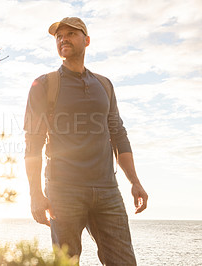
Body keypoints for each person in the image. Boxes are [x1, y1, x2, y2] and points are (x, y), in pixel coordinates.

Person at [23, 17, 148, 265]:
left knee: (124, 261)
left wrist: (135, 182)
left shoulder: (104, 85)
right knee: (66, 262)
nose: (63, 39)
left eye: (70, 34)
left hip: (107, 190)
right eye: (59, 36)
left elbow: (118, 135)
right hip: (63, 190)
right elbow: (32, 142)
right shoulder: (45, 84)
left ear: (86, 40)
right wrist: (35, 193)